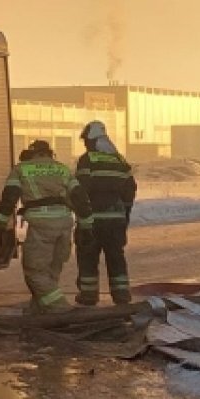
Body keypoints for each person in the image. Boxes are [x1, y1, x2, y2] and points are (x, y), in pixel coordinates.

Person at [0, 140, 94, 313]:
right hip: (64, 223)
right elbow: (80, 198)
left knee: (35, 271)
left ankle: (61, 309)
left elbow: (9, 198)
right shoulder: (62, 169)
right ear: (49, 153)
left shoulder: (21, 169)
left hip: (41, 225)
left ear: (31, 153)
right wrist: (86, 226)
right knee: (51, 272)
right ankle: (39, 309)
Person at [74, 121, 138, 306]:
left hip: (92, 220)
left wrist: (81, 215)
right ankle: (121, 295)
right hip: (116, 221)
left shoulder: (87, 160)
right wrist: (124, 214)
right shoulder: (120, 161)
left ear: (92, 141)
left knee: (87, 256)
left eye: (86, 141)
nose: (85, 144)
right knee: (116, 256)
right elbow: (130, 190)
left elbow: (80, 189)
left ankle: (88, 295)